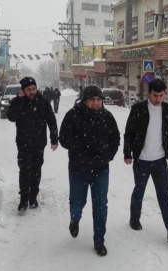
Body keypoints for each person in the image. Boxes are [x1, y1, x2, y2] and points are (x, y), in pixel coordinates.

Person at [59, 85, 120, 257]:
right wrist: (81, 148)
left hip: (101, 170)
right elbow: (63, 138)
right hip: (78, 169)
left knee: (100, 205)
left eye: (99, 99)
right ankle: (75, 219)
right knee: (77, 202)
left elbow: (115, 138)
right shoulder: (73, 115)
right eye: (92, 99)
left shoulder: (107, 117)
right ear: (85, 100)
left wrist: (109, 154)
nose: (96, 103)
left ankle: (99, 241)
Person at [123, 78, 168, 242]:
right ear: (149, 94)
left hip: (160, 160)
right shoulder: (138, 109)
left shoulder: (167, 109)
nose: (158, 99)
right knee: (139, 191)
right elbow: (128, 131)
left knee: (164, 195)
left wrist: (167, 150)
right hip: (142, 160)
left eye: (161, 95)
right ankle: (134, 218)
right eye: (155, 95)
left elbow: (167, 132)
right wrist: (127, 153)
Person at [7, 77, 58, 212]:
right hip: (23, 143)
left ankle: (33, 197)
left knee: (36, 171)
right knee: (25, 171)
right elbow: (11, 117)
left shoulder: (43, 102)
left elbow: (51, 121)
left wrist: (54, 139)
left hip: (39, 143)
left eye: (33, 89)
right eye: (28, 89)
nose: (32, 92)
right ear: (23, 90)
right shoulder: (18, 102)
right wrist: (18, 100)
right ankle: (23, 200)